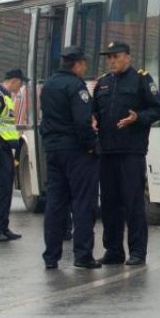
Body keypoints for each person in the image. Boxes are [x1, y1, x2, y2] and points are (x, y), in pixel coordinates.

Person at [93, 41, 160, 266]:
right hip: (107, 151)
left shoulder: (142, 79)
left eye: (116, 56)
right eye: (109, 57)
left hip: (131, 151)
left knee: (133, 203)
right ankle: (113, 250)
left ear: (128, 57)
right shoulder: (103, 83)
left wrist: (138, 118)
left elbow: (157, 110)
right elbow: (94, 111)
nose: (112, 61)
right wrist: (92, 119)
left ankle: (137, 251)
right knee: (109, 203)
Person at [40, 46, 101, 269]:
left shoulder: (48, 85)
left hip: (53, 151)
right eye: (84, 64)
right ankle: (83, 255)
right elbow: (82, 122)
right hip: (76, 152)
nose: (85, 68)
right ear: (76, 65)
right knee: (84, 203)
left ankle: (51, 256)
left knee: (55, 205)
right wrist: (92, 146)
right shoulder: (76, 86)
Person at [0, 68, 27, 241]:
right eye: (21, 82)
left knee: (6, 188)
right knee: (1, 189)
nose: (21, 86)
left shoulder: (6, 97)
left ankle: (3, 226)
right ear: (15, 81)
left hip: (6, 148)